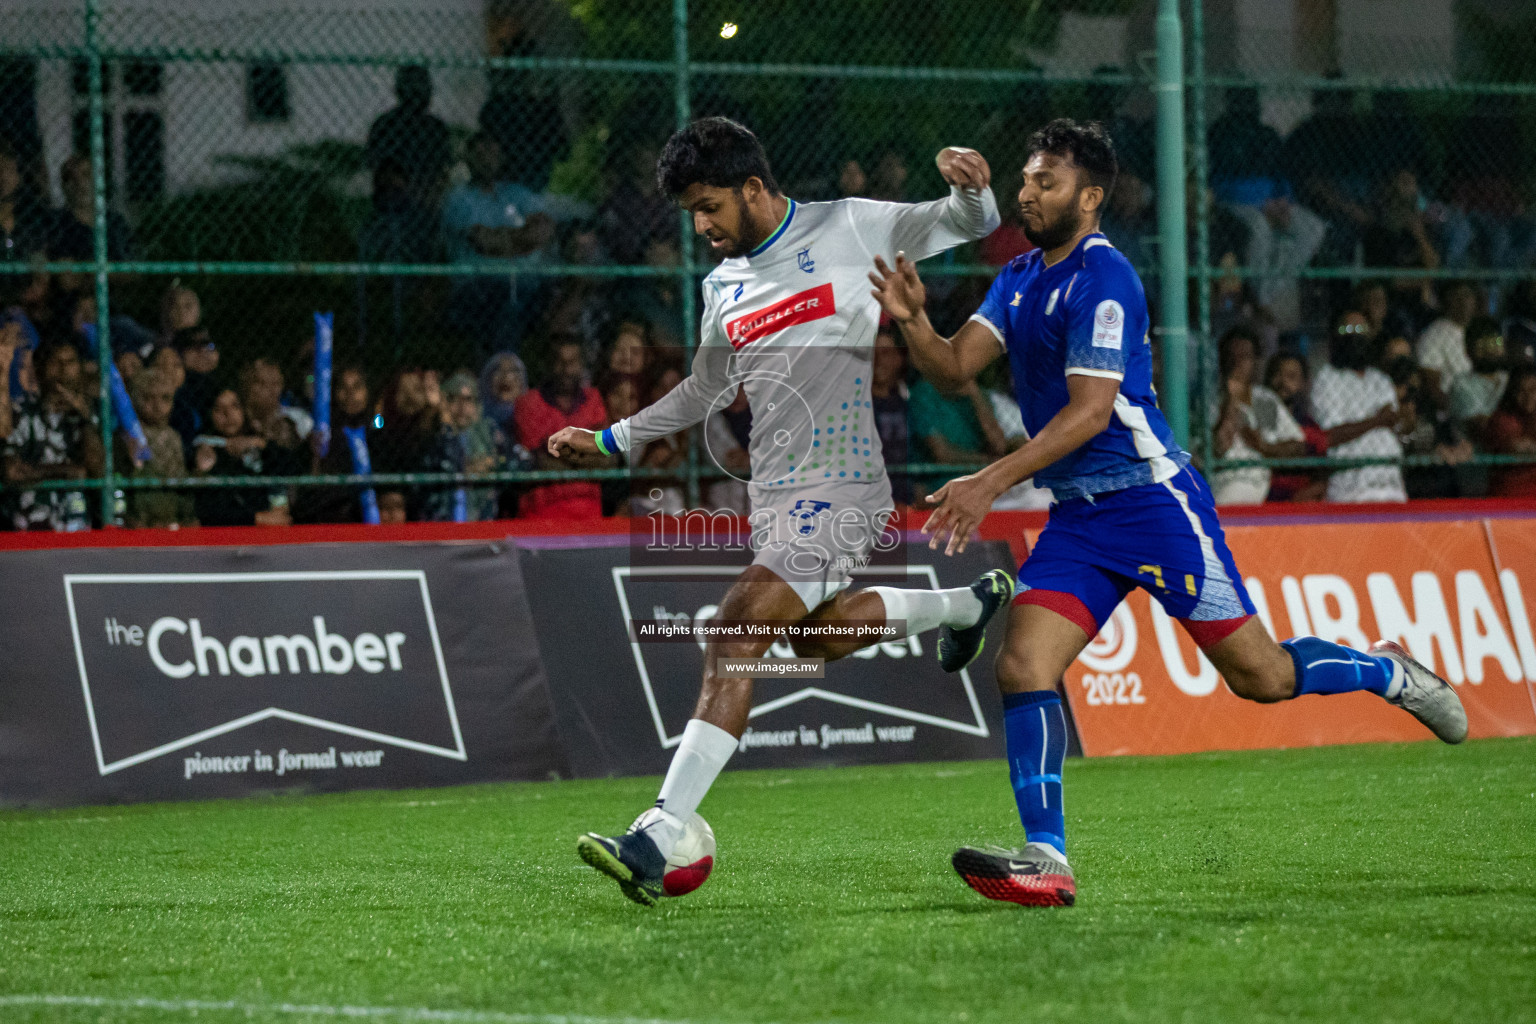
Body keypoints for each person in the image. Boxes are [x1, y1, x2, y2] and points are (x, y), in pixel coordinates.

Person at [867, 118, 1464, 908]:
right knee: (1022, 665)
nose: (1026, 192)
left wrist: (987, 481)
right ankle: (1047, 856)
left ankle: (1389, 671)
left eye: (1045, 182)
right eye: (1025, 179)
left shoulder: (1106, 278)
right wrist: (913, 320)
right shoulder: (1016, 277)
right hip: (1080, 519)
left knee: (1263, 676)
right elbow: (950, 372)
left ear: (1090, 196)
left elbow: (1088, 414)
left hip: (1153, 504)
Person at [547, 117, 1008, 905]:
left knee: (735, 630)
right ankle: (966, 604)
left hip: (845, 490)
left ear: (753, 187)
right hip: (777, 502)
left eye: (709, 206)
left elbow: (969, 224)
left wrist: (972, 186)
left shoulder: (852, 224)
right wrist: (613, 437)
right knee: (806, 639)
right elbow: (705, 389)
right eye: (691, 212)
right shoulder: (721, 286)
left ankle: (663, 829)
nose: (702, 226)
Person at [441, 131, 556, 353]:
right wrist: (523, 240)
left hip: (526, 285)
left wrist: (504, 240)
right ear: (469, 157)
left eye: (493, 151)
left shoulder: (517, 193)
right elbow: (484, 242)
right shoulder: (459, 199)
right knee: (506, 309)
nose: (487, 158)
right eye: (480, 151)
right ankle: (503, 373)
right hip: (478, 287)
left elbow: (544, 231)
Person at [2, 338, 102, 530]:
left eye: (70, 362)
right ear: (41, 369)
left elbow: (98, 469)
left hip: (77, 525)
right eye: (56, 362)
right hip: (31, 526)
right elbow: (12, 472)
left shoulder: (89, 416)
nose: (64, 369)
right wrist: (63, 471)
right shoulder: (22, 412)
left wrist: (84, 420)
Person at [1311, 310, 1407, 503]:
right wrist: (1377, 421)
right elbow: (1330, 436)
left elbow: (1396, 426)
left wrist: (1406, 422)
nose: (1355, 335)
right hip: (1351, 486)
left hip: (1390, 481)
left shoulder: (1380, 379)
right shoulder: (1327, 378)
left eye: (1361, 329)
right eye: (1348, 329)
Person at [1209, 326, 1306, 505]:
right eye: (1232, 356)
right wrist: (1232, 398)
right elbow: (1220, 447)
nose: (1237, 362)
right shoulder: (1210, 402)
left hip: (1260, 493)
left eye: (1245, 356)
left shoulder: (1265, 401)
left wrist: (1265, 448)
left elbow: (1298, 446)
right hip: (1223, 490)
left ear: (1255, 361)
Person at [516, 337, 608, 518]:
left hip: (589, 513)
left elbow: (605, 458)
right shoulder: (528, 402)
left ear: (582, 365)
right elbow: (540, 461)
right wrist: (586, 453)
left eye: (572, 362)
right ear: (548, 365)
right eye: (559, 361)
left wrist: (559, 449)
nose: (566, 369)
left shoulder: (594, 399)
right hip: (542, 514)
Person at [192, 389, 289, 527]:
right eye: (219, 409)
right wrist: (257, 519)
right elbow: (211, 509)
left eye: (234, 406)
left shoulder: (259, 445)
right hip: (231, 529)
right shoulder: (204, 448)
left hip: (271, 520)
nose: (228, 414)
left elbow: (284, 468)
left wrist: (261, 444)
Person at [123, 366, 196, 528]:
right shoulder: (131, 435)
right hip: (142, 519)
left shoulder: (174, 436)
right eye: (148, 398)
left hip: (172, 517)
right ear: (135, 398)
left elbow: (181, 480)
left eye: (165, 398)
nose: (157, 406)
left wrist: (187, 516)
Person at [1262, 352, 1329, 502]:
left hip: (1296, 504)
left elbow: (1321, 480)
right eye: (1277, 375)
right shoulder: (1258, 420)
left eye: (1291, 376)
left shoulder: (1310, 428)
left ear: (1303, 383)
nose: (1282, 382)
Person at [1447, 316, 1510, 445]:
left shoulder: (1509, 379)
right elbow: (1481, 426)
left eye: (1496, 342)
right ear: (1468, 351)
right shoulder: (1462, 384)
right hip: (1478, 458)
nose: (1490, 349)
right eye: (1483, 344)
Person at [1488, 365, 1536, 497]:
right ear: (1512, 393)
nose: (1528, 396)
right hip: (1509, 496)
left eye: (1533, 390)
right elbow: (1516, 446)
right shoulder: (1503, 419)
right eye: (1521, 391)